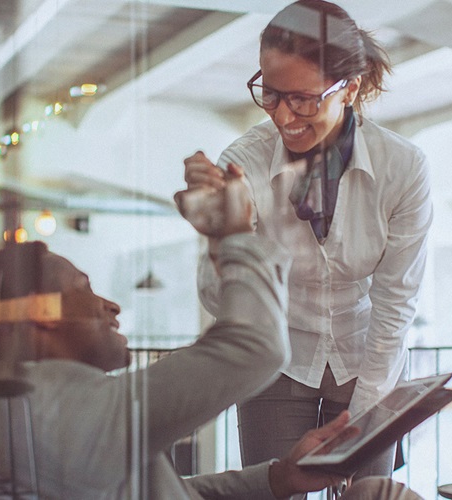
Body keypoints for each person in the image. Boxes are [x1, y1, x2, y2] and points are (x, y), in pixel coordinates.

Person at [0, 178, 422, 498]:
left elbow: (172, 492)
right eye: (84, 289)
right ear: (41, 315)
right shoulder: (81, 411)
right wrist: (235, 234)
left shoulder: (36, 408)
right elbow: (255, 347)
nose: (110, 306)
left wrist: (278, 476)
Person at [182, 0, 433, 481]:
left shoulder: (402, 168)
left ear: (350, 89)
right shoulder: (244, 163)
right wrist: (221, 234)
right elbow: (221, 301)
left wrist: (364, 416)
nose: (281, 116)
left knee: (368, 492)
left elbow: (395, 299)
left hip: (369, 355)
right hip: (280, 355)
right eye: (270, 94)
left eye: (303, 98)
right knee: (269, 489)